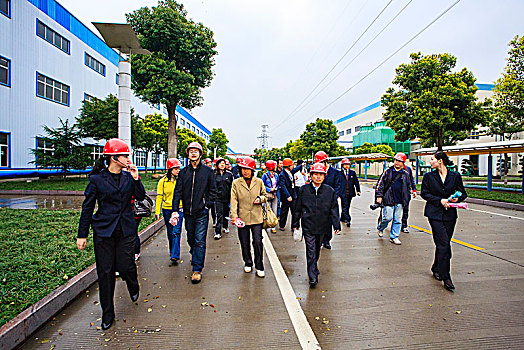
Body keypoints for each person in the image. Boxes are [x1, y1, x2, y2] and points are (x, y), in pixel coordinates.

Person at [77, 138, 145, 330]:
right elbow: (87, 207)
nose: (128, 158)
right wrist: (82, 234)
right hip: (104, 231)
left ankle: (133, 283)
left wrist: (136, 178)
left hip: (125, 229)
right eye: (125, 155)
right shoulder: (97, 179)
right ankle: (107, 313)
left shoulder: (128, 177)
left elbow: (140, 196)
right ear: (114, 158)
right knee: (105, 272)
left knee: (126, 265)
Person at [170, 142, 218, 284]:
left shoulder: (208, 172)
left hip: (201, 212)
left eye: (196, 151)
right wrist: (174, 211)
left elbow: (213, 191)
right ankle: (194, 252)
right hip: (188, 213)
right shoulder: (184, 172)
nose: (193, 153)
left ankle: (197, 269)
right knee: (191, 238)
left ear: (200, 154)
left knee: (199, 239)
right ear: (188, 154)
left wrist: (206, 205)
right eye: (190, 151)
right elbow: (177, 191)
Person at [421, 151, 467, 292]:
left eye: (432, 159)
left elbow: (463, 193)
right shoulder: (429, 177)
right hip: (434, 214)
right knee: (444, 244)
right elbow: (425, 194)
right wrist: (440, 201)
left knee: (443, 244)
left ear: (440, 161)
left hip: (450, 215)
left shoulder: (455, 176)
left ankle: (436, 267)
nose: (431, 162)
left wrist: (455, 199)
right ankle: (446, 276)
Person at [293, 163, 340, 287]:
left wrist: (336, 225)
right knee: (310, 250)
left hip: (323, 225)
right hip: (308, 225)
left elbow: (334, 208)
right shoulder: (304, 190)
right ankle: (312, 276)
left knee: (317, 249)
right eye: (316, 174)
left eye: (321, 175)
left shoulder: (329, 191)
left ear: (324, 176)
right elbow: (297, 207)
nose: (318, 177)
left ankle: (314, 267)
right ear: (311, 175)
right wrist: (296, 223)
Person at [230, 156, 268, 278]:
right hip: (242, 218)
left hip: (257, 217)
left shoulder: (259, 181)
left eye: (248, 169)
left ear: (252, 170)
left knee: (257, 241)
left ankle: (259, 265)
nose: (245, 171)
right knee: (244, 242)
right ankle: (248, 262)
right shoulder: (236, 183)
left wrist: (260, 199)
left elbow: (265, 195)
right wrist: (234, 216)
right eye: (243, 169)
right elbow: (234, 200)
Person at [375, 152, 412, 245]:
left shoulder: (405, 174)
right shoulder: (388, 172)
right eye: (396, 160)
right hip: (388, 199)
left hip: (400, 201)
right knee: (387, 218)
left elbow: (408, 187)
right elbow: (380, 184)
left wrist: (407, 198)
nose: (397, 163)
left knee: (397, 220)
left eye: (400, 161)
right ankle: (381, 228)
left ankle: (394, 236)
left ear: (403, 163)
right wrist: (379, 196)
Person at [155, 158, 183, 263]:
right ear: (170, 169)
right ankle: (172, 250)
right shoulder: (163, 181)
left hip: (179, 208)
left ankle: (175, 254)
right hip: (167, 209)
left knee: (176, 231)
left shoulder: (180, 180)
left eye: (179, 168)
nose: (178, 170)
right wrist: (157, 211)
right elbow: (159, 196)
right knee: (170, 231)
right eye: (175, 168)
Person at [315, 151, 343, 249]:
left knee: (329, 221)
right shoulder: (316, 173)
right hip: (319, 201)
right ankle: (319, 240)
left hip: (330, 201)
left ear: (325, 162)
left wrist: (334, 197)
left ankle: (327, 240)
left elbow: (338, 186)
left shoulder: (335, 173)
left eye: (321, 163)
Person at [278, 158, 302, 231]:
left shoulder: (291, 172)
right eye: (291, 165)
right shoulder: (282, 175)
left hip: (293, 194)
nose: (293, 167)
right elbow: (283, 186)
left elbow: (296, 169)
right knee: (284, 211)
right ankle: (282, 225)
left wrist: (301, 165)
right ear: (288, 166)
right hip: (287, 196)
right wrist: (287, 196)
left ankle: (294, 226)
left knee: (295, 211)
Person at [214, 157, 234, 239]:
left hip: (227, 198)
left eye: (223, 163)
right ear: (217, 165)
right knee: (219, 215)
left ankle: (225, 226)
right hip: (218, 198)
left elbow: (232, 186)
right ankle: (217, 232)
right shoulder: (214, 175)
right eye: (220, 163)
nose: (222, 165)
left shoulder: (229, 174)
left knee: (226, 213)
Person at [340, 158, 361, 227]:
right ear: (342, 165)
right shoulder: (339, 173)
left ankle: (343, 217)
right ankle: (348, 219)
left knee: (347, 206)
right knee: (345, 206)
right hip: (343, 192)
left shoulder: (352, 173)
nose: (346, 166)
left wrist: (358, 190)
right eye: (345, 164)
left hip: (350, 192)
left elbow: (356, 182)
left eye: (348, 164)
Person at [261, 160, 279, 233]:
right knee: (268, 210)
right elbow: (262, 185)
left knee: (275, 210)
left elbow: (278, 183)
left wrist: (276, 188)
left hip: (275, 194)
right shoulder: (265, 175)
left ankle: (273, 226)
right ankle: (267, 223)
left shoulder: (276, 175)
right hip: (268, 195)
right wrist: (269, 189)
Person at [401, 162, 417, 233]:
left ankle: (404, 225)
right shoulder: (391, 170)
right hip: (395, 193)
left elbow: (411, 180)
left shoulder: (408, 169)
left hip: (406, 192)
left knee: (405, 209)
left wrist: (414, 190)